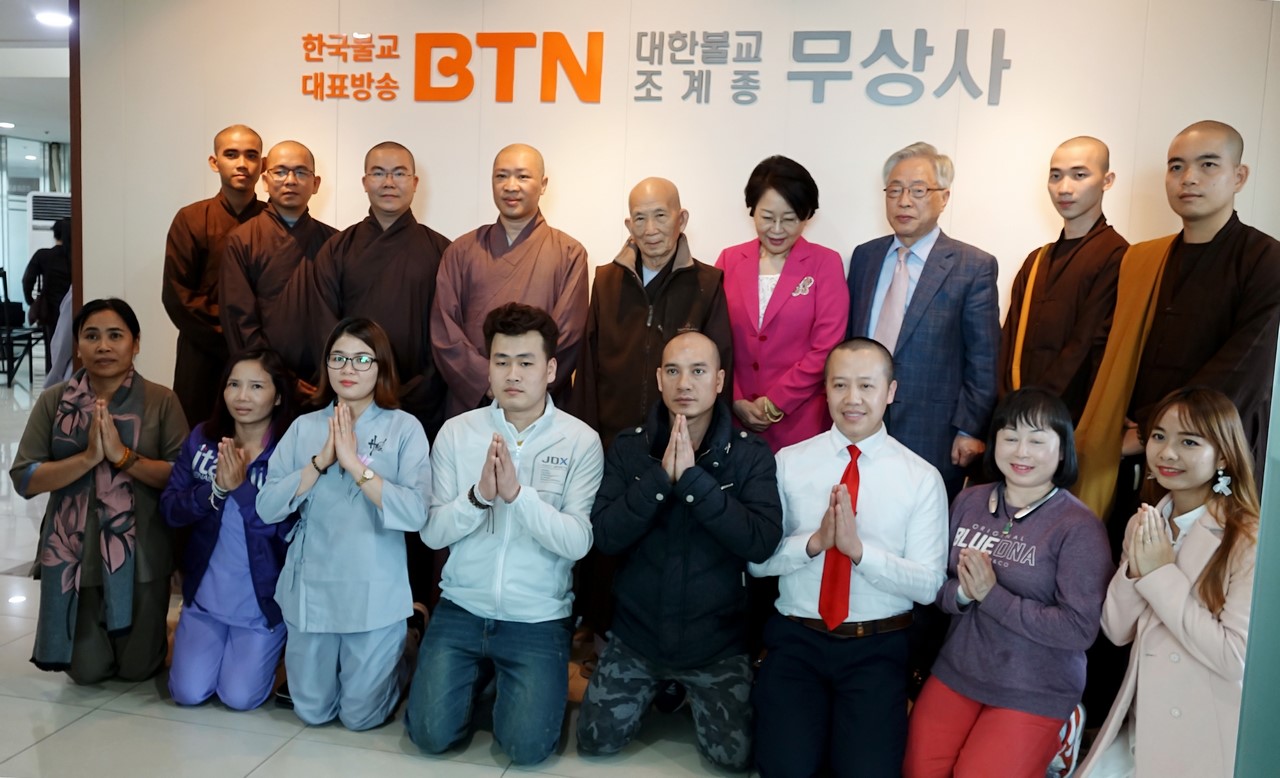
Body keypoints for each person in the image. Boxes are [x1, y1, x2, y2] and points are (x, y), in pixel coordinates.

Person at [405, 303, 603, 765]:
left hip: (537, 617)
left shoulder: (580, 440)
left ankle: (499, 681)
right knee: (429, 735)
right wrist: (479, 497)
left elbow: (578, 540)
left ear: (550, 369)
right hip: (462, 606)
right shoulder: (457, 433)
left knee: (527, 749)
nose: (512, 374)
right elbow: (433, 534)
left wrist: (517, 496)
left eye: (526, 362)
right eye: (501, 361)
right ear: (489, 367)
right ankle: (481, 677)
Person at [576, 331, 782, 771]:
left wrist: (693, 483)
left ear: (720, 380)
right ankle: (665, 689)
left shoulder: (750, 456)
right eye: (673, 371)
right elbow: (605, 535)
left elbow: (762, 542)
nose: (684, 383)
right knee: (595, 742)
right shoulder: (630, 448)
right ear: (659, 378)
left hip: (717, 643)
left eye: (698, 371)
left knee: (733, 759)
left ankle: (682, 691)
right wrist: (659, 482)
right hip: (637, 636)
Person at [749, 338, 948, 778]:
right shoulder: (789, 462)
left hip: (876, 648)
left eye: (866, 386)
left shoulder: (921, 478)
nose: (852, 399)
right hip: (797, 641)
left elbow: (929, 585)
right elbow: (757, 563)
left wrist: (860, 553)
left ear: (890, 391)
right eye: (840, 385)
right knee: (784, 769)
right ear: (825, 390)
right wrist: (814, 543)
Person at [902, 388, 1113, 778]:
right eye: (1011, 437)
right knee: (918, 771)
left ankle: (1063, 732)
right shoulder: (968, 501)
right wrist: (962, 594)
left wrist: (991, 596)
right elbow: (935, 583)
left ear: (1062, 450)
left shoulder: (1079, 527)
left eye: (1037, 440)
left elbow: (1079, 629)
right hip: (958, 671)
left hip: (1035, 688)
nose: (1022, 452)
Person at [1076, 120, 1280, 523]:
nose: (1188, 178)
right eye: (1176, 167)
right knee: (1128, 545)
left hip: (1213, 452)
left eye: (1208, 165)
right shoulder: (1143, 260)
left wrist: (1156, 431)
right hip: (1136, 452)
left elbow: (1245, 366)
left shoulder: (1265, 259)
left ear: (1239, 176)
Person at [256, 318, 431, 730]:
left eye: (361, 359)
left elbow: (416, 513)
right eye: (338, 358)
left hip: (373, 590)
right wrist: (320, 462)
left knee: (360, 717)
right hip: (313, 587)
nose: (348, 369)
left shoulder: (403, 428)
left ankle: (408, 642)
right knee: (312, 712)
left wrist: (354, 465)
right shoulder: (304, 427)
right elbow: (267, 507)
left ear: (381, 366)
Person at [1078, 386, 1259, 778]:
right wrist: (1138, 569)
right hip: (1140, 723)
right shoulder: (1145, 522)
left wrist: (1160, 573)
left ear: (1223, 456)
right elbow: (1116, 629)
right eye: (1159, 436)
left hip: (1203, 733)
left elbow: (1234, 658)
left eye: (1189, 441)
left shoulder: (1248, 538)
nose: (1167, 453)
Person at [10, 298, 187, 684]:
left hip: (142, 554)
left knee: (138, 670)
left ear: (135, 343)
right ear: (77, 345)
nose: (103, 346)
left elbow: (180, 475)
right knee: (87, 674)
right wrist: (88, 458)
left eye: (115, 336)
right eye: (91, 336)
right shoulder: (54, 400)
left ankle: (160, 631)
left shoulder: (161, 400)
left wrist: (123, 457)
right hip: (76, 555)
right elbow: (24, 477)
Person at [845, 142, 1000, 499]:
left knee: (922, 523)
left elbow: (984, 359)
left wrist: (969, 429)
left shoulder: (972, 266)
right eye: (894, 190)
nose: (904, 201)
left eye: (918, 191)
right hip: (861, 422)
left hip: (934, 432)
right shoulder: (865, 257)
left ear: (944, 198)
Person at [161, 348, 296, 710]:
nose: (242, 396)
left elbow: (288, 530)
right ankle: (189, 629)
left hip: (261, 604)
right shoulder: (202, 440)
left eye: (256, 386)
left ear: (278, 396)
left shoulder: (289, 453)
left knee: (240, 698)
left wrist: (242, 488)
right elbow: (171, 509)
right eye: (233, 384)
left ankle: (279, 649)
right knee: (188, 693)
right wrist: (215, 490)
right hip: (206, 598)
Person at [430, 144, 589, 418]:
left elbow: (569, 336)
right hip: (475, 401)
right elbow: (444, 329)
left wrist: (522, 382)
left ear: (543, 184)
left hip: (540, 405)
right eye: (501, 176)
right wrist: (488, 381)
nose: (511, 186)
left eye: (522, 176)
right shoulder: (461, 250)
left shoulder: (569, 253)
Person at [576, 177, 734, 449]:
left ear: (681, 220)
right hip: (612, 440)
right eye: (640, 218)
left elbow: (721, 370)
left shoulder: (707, 285)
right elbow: (587, 370)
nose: (650, 230)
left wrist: (711, 446)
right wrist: (585, 441)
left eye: (660, 216)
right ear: (629, 225)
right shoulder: (606, 281)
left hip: (683, 442)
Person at [312, 141, 451, 438]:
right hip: (351, 391)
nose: (389, 182)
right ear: (364, 182)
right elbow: (324, 322)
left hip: (421, 396)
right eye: (378, 173)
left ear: (414, 183)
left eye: (399, 173)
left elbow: (448, 329)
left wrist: (424, 385)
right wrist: (350, 376)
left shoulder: (441, 250)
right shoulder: (337, 249)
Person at [715, 155, 848, 451]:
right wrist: (734, 398)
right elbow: (714, 340)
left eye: (789, 219)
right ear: (752, 211)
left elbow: (826, 347)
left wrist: (776, 402)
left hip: (801, 422)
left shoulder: (825, 263)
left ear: (806, 215)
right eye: (766, 217)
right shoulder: (729, 260)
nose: (776, 229)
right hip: (735, 420)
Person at [997, 138, 1128, 422]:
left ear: (1107, 181)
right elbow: (1008, 342)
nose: (1064, 188)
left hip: (1069, 419)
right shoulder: (1036, 260)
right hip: (1014, 416)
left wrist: (1036, 410)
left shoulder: (1118, 255)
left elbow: (1086, 345)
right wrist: (1007, 406)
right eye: (1055, 176)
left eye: (1079, 175)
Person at [163, 124, 266, 423]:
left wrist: (257, 343)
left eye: (251, 155)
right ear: (214, 161)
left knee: (261, 437)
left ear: (263, 165)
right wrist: (236, 338)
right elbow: (178, 296)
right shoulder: (192, 219)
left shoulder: (273, 221)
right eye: (231, 154)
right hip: (202, 355)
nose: (242, 164)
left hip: (263, 356)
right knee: (199, 434)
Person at [220, 141, 337, 394]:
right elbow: (240, 320)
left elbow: (341, 317)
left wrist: (331, 373)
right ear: (265, 181)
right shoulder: (242, 240)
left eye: (301, 172)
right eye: (281, 171)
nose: (290, 180)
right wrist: (278, 376)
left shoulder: (334, 242)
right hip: (264, 382)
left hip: (323, 381)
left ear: (315, 184)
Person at [23, 216, 73, 351]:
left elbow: (27, 281)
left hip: (50, 311)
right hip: (75, 309)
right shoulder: (78, 257)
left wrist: (32, 302)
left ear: (55, 234)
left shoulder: (43, 255)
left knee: (52, 350)